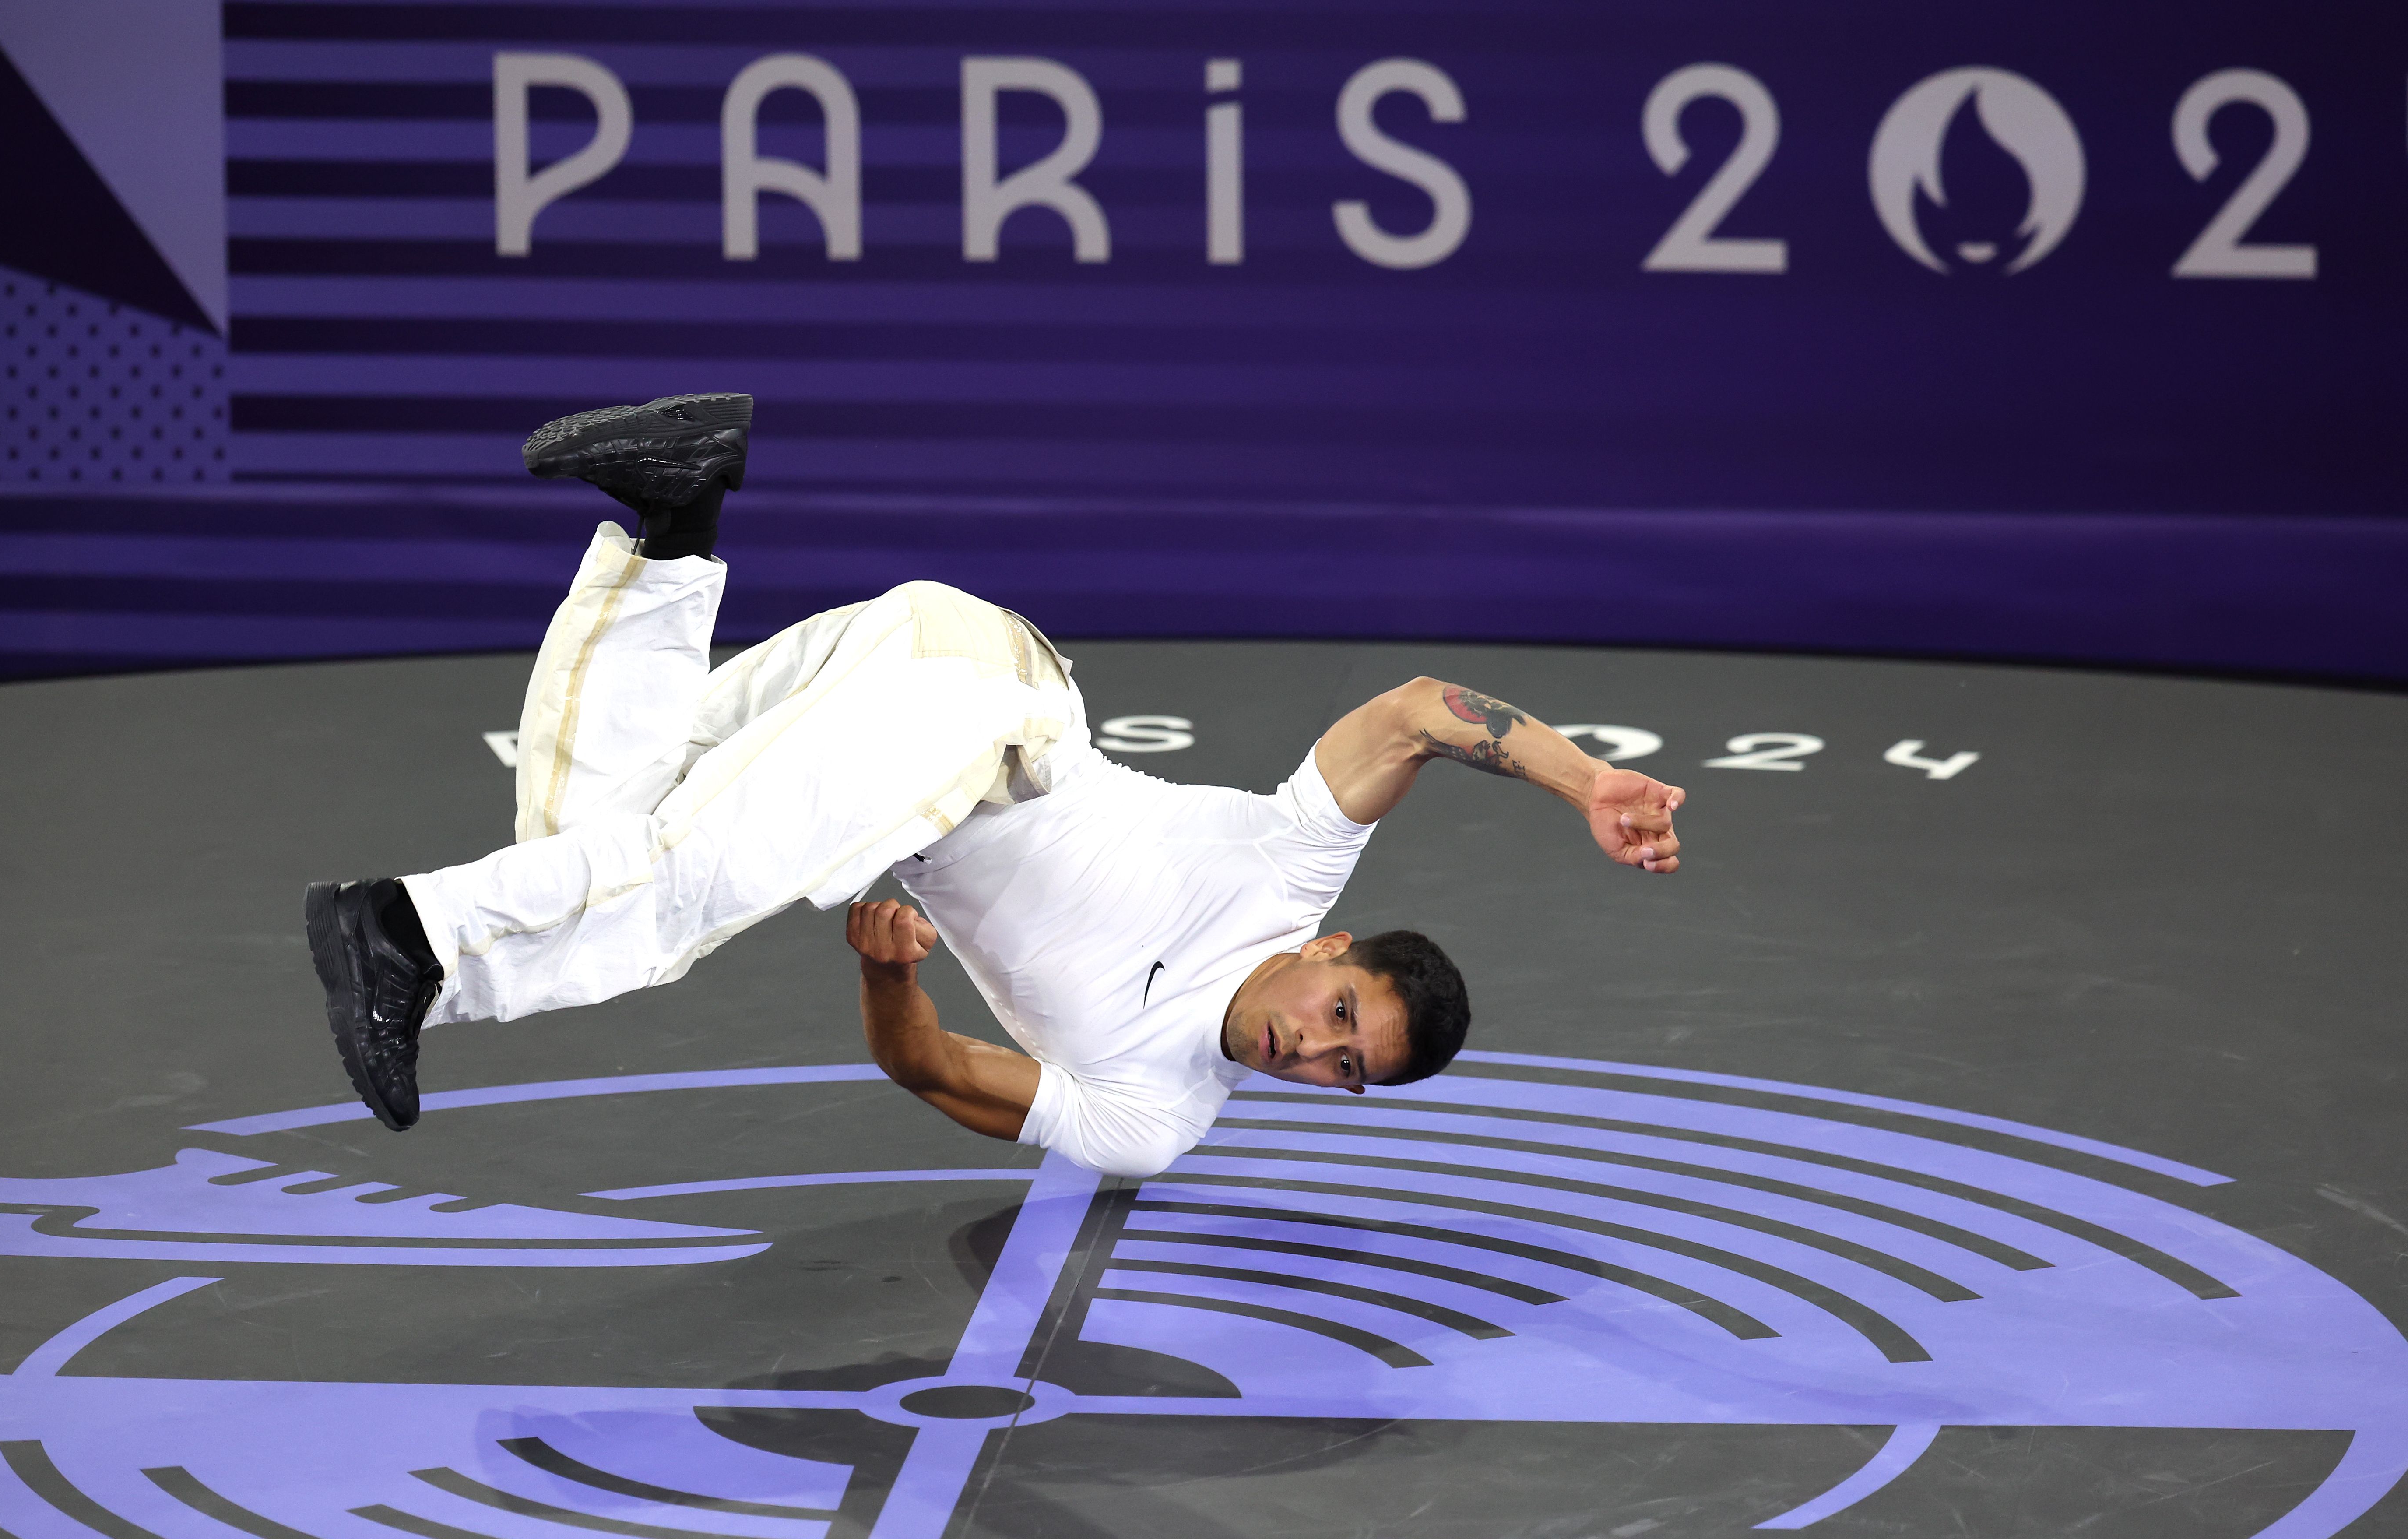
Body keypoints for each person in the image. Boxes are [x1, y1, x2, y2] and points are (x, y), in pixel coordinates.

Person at [305, 394, 1687, 1180]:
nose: (1312, 1050)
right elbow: (1415, 713)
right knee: (682, 893)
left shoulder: (1153, 1120)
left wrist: (887, 972)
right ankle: (404, 935)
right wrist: (1579, 785)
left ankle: (677, 517)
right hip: (987, 709)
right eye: (1338, 1013)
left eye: (1342, 1069)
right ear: (1327, 952)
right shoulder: (1291, 872)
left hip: (906, 718)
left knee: (595, 832)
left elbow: (936, 1071)